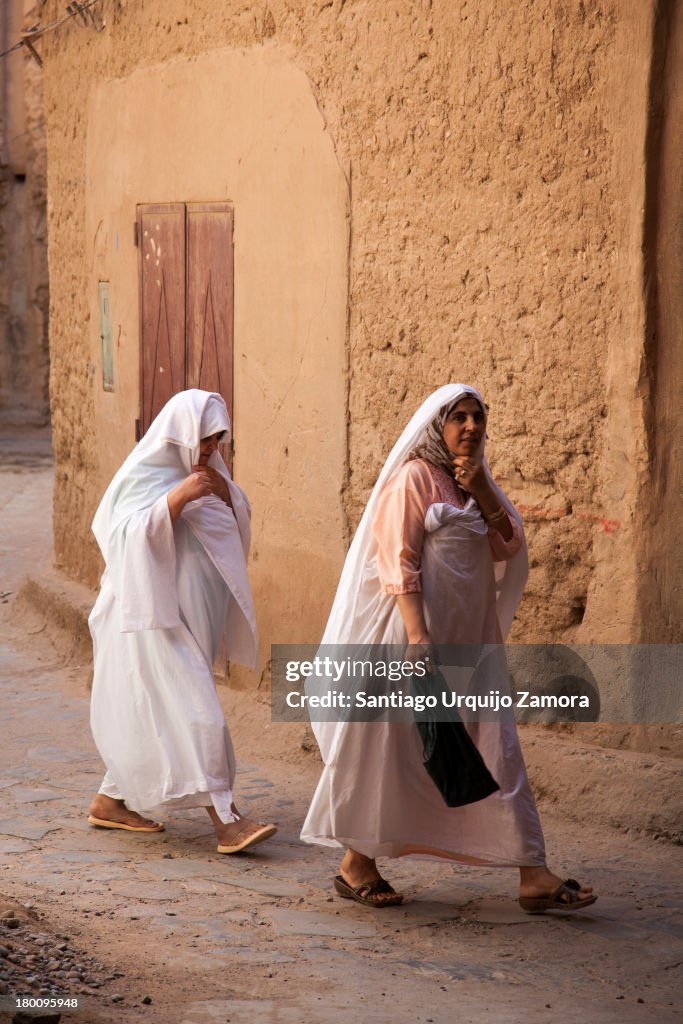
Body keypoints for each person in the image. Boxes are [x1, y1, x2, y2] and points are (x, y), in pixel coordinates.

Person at [301, 384, 596, 913]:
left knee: (496, 746)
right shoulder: (414, 477)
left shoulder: (476, 482)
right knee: (386, 751)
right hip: (415, 643)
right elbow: (398, 560)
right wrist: (417, 636)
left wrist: (483, 490)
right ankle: (357, 862)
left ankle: (532, 871)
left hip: (472, 646)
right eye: (458, 417)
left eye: (478, 417)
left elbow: (507, 545)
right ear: (437, 426)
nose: (471, 426)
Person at [87, 389, 276, 854]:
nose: (211, 449)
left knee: (159, 708)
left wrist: (223, 489)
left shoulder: (208, 471)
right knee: (196, 708)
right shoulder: (146, 473)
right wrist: (177, 497)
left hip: (190, 616)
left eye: (217, 440)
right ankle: (226, 819)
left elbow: (236, 517)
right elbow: (119, 535)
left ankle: (110, 799)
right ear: (180, 434)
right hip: (150, 617)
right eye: (204, 439)